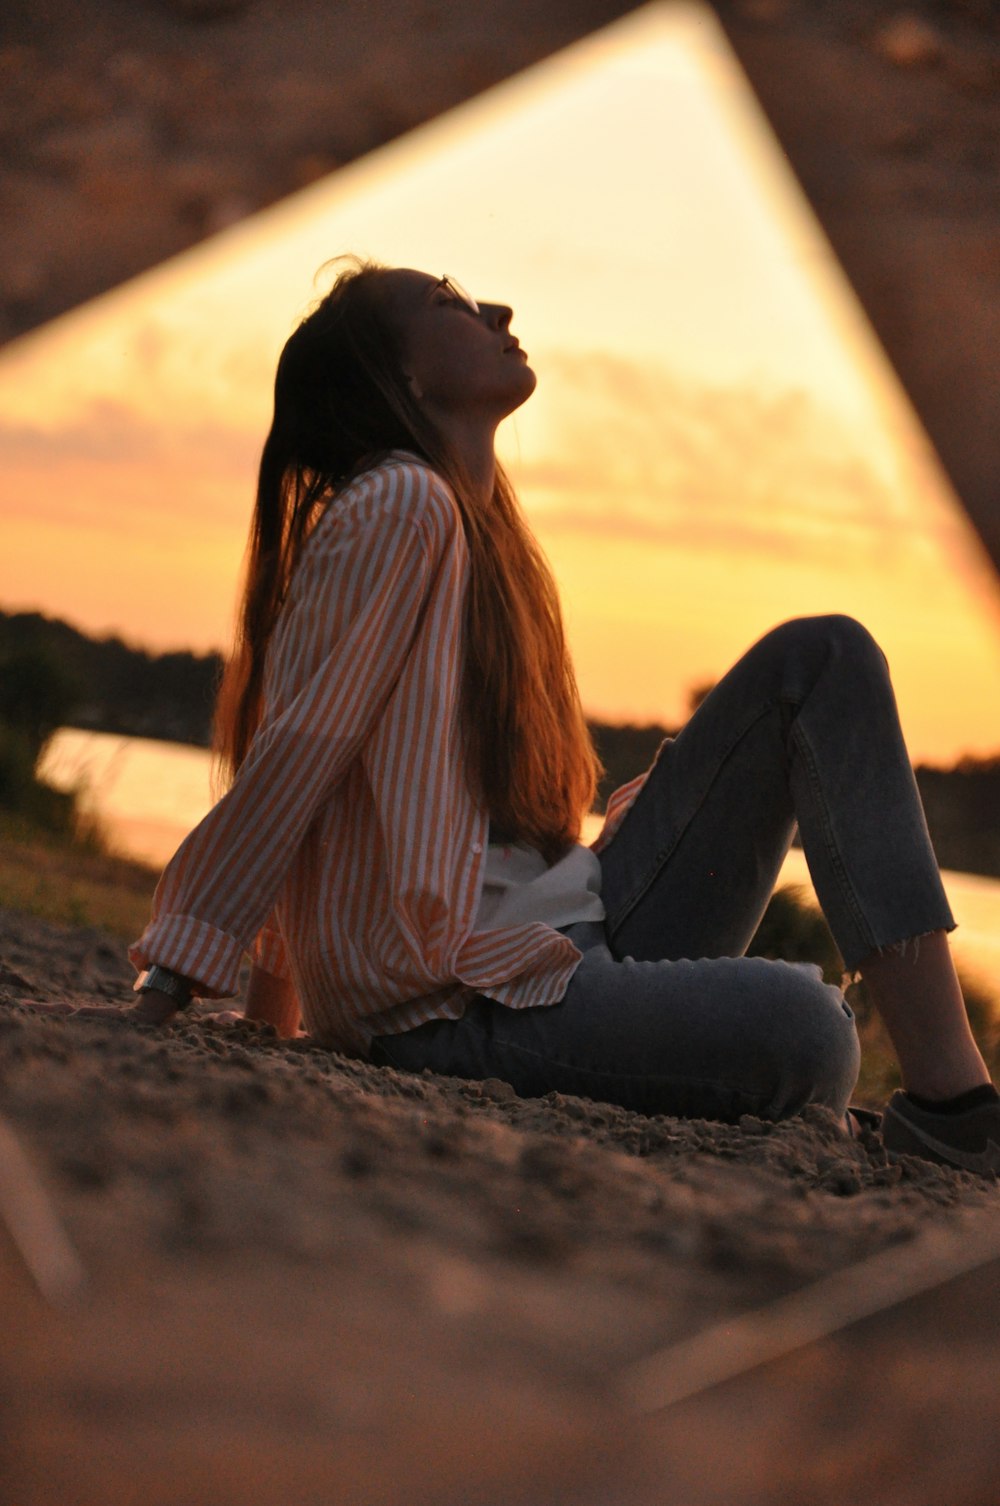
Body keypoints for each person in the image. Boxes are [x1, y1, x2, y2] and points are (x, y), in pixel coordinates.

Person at [129, 260, 999, 1174]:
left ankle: (955, 1104)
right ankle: (953, 1113)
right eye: (448, 304)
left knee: (822, 660)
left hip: (568, 930)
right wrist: (174, 988)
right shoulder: (398, 502)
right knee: (812, 1031)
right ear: (401, 379)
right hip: (459, 1001)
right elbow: (302, 754)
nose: (494, 308)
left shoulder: (484, 529)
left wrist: (279, 1020)